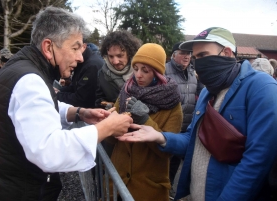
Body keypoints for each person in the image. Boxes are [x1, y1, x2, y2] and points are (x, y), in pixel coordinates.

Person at [0, 7, 132, 201]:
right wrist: (106, 128)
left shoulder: (20, 68)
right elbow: (49, 151)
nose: (80, 57)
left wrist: (78, 113)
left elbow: (32, 114)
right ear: (49, 47)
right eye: (75, 48)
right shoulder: (30, 81)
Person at [118, 27, 277, 201]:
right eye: (195, 57)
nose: (197, 63)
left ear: (227, 52)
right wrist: (161, 138)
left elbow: (257, 160)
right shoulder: (206, 94)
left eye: (202, 56)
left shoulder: (261, 87)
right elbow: (193, 140)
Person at [108, 43, 183, 201]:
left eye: (145, 70)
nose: (138, 75)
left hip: (147, 188)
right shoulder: (125, 92)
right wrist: (107, 122)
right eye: (135, 69)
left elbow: (168, 151)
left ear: (157, 73)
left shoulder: (172, 103)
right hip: (118, 182)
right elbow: (111, 137)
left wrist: (144, 119)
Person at [165, 42, 203, 193]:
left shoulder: (194, 72)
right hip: (170, 126)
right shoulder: (164, 70)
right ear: (174, 54)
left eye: (189, 53)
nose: (186, 56)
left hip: (187, 127)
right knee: (165, 160)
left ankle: (170, 188)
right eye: (182, 53)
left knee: (178, 163)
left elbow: (199, 93)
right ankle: (162, 189)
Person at [95, 30, 141, 109]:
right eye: (111, 56)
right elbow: (99, 100)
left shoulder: (142, 71)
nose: (115, 62)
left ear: (129, 53)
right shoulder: (102, 74)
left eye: (120, 56)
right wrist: (106, 106)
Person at [56, 41, 104, 108]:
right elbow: (75, 86)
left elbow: (81, 99)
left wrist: (57, 95)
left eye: (76, 49)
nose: (79, 58)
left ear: (84, 46)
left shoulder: (92, 66)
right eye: (74, 49)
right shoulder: (84, 62)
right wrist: (60, 91)